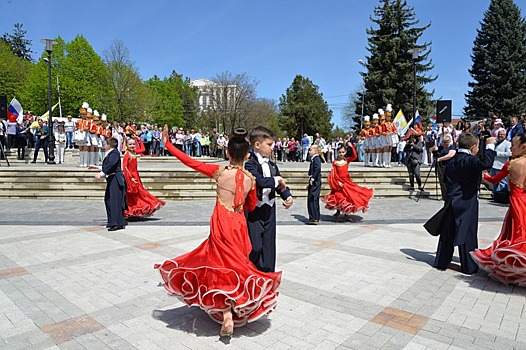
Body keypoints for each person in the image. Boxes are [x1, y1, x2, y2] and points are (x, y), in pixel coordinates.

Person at [155, 126, 281, 337]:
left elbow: (190, 162)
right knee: (237, 265)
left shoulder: (219, 172)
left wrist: (168, 144)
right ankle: (234, 306)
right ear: (248, 155)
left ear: (227, 153)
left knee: (218, 265)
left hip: (222, 222)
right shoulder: (250, 178)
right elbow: (250, 206)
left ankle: (226, 313)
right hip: (239, 224)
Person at [427, 133, 496, 274]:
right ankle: (469, 266)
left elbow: (445, 179)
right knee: (468, 232)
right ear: (474, 147)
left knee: (448, 232)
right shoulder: (469, 160)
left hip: (451, 199)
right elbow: (486, 164)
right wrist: (489, 146)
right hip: (467, 200)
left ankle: (441, 261)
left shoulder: (451, 160)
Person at [469, 134, 526, 285]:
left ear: (523, 147)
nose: (511, 148)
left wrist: (485, 176)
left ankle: (513, 269)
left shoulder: (512, 164)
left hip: (516, 203)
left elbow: (494, 180)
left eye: (513, 145)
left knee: (513, 235)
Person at [245, 126, 293, 273]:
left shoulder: (272, 165)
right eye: (270, 145)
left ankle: (267, 275)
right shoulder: (250, 164)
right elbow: (259, 181)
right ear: (257, 145)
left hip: (269, 209)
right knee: (255, 246)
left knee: (268, 245)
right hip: (255, 211)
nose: (272, 148)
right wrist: (277, 179)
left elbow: (279, 185)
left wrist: (287, 195)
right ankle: (250, 271)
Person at [322, 145, 373, 222]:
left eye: (343, 152)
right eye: (339, 152)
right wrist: (337, 182)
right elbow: (334, 173)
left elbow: (355, 156)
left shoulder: (347, 160)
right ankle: (338, 212)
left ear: (345, 152)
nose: (341, 154)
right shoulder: (335, 162)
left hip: (346, 182)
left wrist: (352, 146)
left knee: (348, 197)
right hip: (339, 183)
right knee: (338, 197)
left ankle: (346, 214)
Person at [88, 137, 127, 231]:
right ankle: (115, 221)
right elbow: (108, 165)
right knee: (109, 200)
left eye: (106, 144)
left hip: (115, 179)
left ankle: (116, 222)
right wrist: (96, 167)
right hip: (112, 178)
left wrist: (101, 174)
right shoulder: (112, 153)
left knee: (114, 201)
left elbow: (111, 165)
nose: (105, 146)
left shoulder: (114, 153)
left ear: (109, 145)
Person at [122, 137, 165, 219]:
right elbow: (125, 168)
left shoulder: (134, 152)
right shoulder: (127, 155)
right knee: (135, 195)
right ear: (126, 145)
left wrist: (139, 140)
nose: (132, 146)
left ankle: (139, 209)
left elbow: (143, 149)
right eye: (130, 144)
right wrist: (130, 179)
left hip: (136, 176)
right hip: (131, 178)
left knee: (140, 193)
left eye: (133, 144)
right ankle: (135, 209)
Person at [489, 129, 512, 199]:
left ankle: (500, 196)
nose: (500, 136)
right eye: (499, 134)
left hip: (501, 166)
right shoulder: (495, 142)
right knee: (494, 182)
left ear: (505, 135)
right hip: (494, 165)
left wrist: (497, 154)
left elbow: (509, 153)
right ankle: (495, 195)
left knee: (502, 183)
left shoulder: (508, 143)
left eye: (502, 134)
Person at [432, 135, 456, 200]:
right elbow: (431, 150)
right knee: (442, 182)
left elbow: (450, 155)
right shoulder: (441, 147)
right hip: (440, 167)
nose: (445, 144)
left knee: (448, 182)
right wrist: (433, 149)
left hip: (448, 167)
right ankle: (444, 196)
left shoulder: (452, 148)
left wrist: (440, 159)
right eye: (444, 142)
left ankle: (449, 195)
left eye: (446, 142)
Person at [306, 144, 322, 224]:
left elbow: (318, 168)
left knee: (313, 198)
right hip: (313, 182)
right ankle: (313, 217)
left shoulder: (316, 158)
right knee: (311, 198)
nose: (309, 151)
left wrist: (312, 178)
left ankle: (314, 217)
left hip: (315, 182)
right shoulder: (313, 159)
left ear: (315, 151)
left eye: (310, 150)